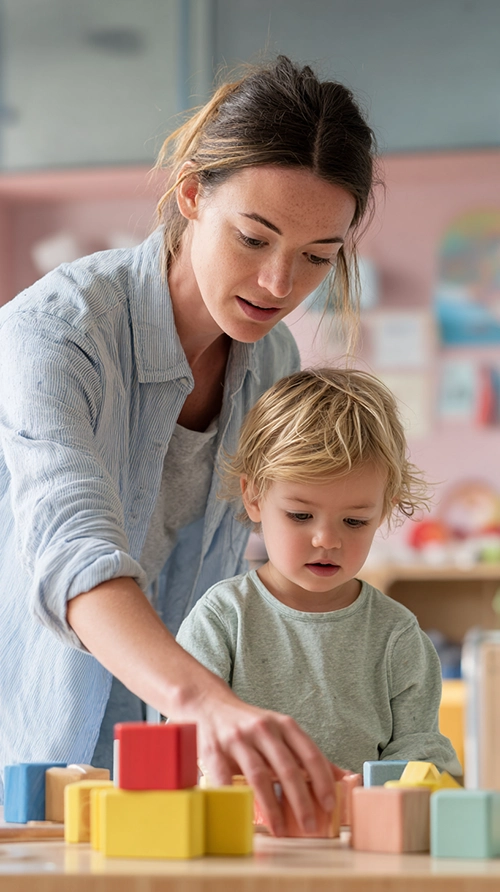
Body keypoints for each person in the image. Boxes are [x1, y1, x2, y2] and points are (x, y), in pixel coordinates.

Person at [0, 56, 376, 835]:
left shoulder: (271, 362)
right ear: (193, 194)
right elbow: (75, 549)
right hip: (32, 751)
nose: (278, 283)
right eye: (254, 237)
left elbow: (244, 571)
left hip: (172, 766)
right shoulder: (53, 335)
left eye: (316, 257)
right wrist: (207, 704)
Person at [177, 368, 462, 778]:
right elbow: (186, 740)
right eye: (301, 515)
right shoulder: (222, 618)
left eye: (355, 522)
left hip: (357, 837)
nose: (326, 540)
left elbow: (421, 755)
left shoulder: (396, 635)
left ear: (384, 509)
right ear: (253, 496)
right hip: (240, 835)